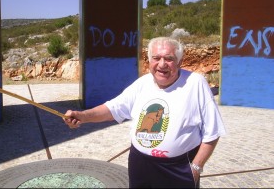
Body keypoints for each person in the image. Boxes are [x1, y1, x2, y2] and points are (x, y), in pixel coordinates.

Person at [64, 36, 226, 188]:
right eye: (156, 58)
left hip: (178, 167)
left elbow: (213, 131)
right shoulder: (142, 83)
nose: (162, 64)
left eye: (169, 59)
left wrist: (196, 168)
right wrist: (82, 116)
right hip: (140, 163)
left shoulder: (195, 83)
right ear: (149, 61)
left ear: (179, 62)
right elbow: (112, 108)